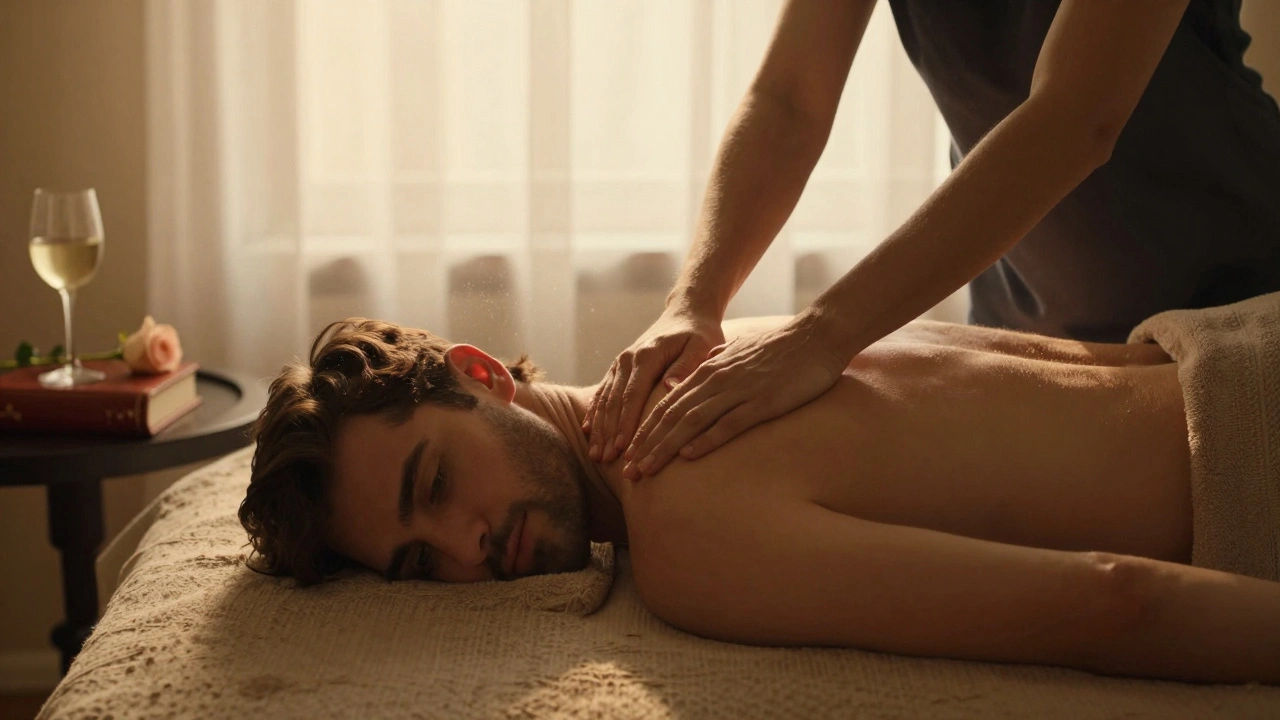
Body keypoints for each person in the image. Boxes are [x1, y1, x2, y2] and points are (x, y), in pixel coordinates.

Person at [239, 308, 1280, 685]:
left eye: (435, 483)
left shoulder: (685, 534)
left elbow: (1112, 600)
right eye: (420, 563)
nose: (468, 549)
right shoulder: (705, 345)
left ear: (479, 374)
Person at [584, 0, 1280, 482]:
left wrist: (819, 335)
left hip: (1241, 294)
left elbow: (1076, 116)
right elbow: (789, 101)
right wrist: (694, 300)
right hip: (1033, 320)